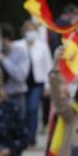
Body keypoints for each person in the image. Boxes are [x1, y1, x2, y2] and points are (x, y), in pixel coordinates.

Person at [21, 18, 53, 146]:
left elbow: (48, 66)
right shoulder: (18, 45)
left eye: (33, 30)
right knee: (22, 110)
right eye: (28, 31)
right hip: (22, 83)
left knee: (33, 109)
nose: (30, 33)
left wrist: (48, 85)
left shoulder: (42, 46)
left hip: (37, 82)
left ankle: (31, 137)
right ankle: (22, 135)